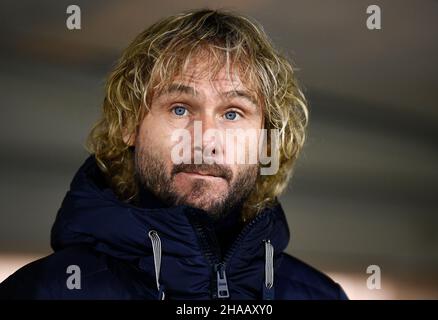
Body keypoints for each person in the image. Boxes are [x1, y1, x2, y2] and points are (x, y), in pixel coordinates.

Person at [0, 9, 347, 300]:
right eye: (180, 109)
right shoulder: (43, 292)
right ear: (130, 124)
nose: (206, 139)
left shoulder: (319, 296)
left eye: (232, 113)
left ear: (266, 142)